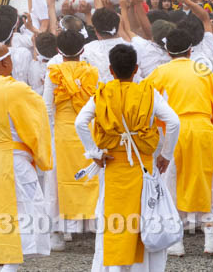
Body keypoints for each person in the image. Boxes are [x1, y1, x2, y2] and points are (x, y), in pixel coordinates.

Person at [75, 43, 180, 271]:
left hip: (112, 165)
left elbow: (80, 122)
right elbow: (173, 122)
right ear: (136, 69)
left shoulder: (101, 95)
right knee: (144, 216)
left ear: (110, 70)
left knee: (113, 221)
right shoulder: (148, 93)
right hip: (143, 165)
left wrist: (94, 152)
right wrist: (165, 155)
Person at [147, 28, 213, 256]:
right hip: (202, 129)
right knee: (206, 182)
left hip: (174, 131)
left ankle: (176, 241)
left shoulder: (160, 72)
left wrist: (150, 132)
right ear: (191, 50)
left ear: (167, 51)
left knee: (172, 182)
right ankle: (209, 239)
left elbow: (146, 104)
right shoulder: (202, 69)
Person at [0, 43, 53, 272]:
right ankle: (10, 268)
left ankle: (5, 265)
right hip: (11, 160)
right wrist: (42, 158)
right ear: (5, 63)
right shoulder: (15, 89)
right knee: (23, 212)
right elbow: (36, 125)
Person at [43, 30, 99, 249]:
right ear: (83, 50)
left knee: (57, 181)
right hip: (88, 131)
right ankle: (96, 229)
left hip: (62, 132)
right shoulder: (92, 72)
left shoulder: (53, 72)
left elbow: (47, 107)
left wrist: (46, 135)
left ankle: (57, 233)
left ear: (58, 51)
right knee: (91, 179)